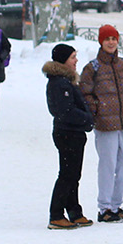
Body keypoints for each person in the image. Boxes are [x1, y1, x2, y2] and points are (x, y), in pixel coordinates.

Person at [80, 24, 123, 223]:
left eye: (114, 38)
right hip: (105, 124)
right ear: (101, 41)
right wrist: (97, 109)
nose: (111, 42)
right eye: (107, 39)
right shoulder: (92, 68)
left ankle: (116, 205)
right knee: (108, 164)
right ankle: (104, 207)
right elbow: (85, 93)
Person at [43, 43, 95, 230]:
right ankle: (56, 215)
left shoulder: (66, 80)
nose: (76, 61)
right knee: (67, 175)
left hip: (74, 133)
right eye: (73, 57)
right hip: (67, 134)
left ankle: (74, 211)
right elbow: (65, 111)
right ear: (64, 60)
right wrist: (87, 119)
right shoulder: (59, 83)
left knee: (74, 175)